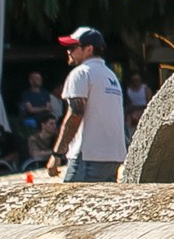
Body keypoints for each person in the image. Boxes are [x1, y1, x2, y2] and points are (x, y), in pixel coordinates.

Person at [48, 27, 127, 183]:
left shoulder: (81, 73)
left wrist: (57, 154)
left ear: (88, 49)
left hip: (89, 155)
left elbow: (75, 114)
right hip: (114, 156)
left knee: (71, 204)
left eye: (72, 47)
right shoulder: (110, 75)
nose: (68, 51)